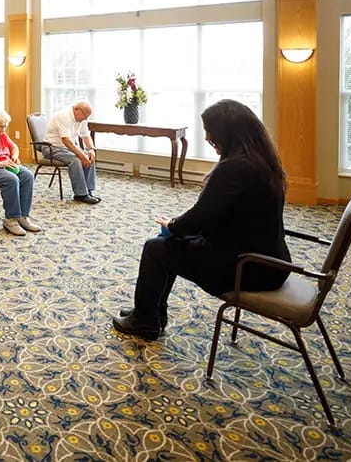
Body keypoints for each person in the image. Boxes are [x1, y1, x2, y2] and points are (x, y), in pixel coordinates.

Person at [112, 99, 292, 341]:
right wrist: (177, 227)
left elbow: (200, 217)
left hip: (247, 267)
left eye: (212, 137)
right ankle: (150, 312)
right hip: (269, 260)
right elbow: (218, 214)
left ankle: (145, 319)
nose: (209, 140)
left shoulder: (234, 168)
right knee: (169, 243)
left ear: (227, 133)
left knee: (156, 248)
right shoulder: (261, 161)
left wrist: (173, 225)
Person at [44, 101, 101, 204]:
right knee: (76, 161)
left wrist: (91, 149)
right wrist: (82, 156)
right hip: (52, 148)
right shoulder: (63, 116)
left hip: (67, 148)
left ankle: (88, 191)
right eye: (85, 116)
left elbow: (85, 135)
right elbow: (66, 140)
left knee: (89, 157)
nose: (86, 119)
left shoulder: (82, 119)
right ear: (76, 109)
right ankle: (80, 195)